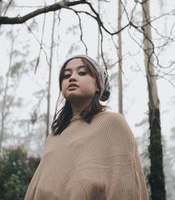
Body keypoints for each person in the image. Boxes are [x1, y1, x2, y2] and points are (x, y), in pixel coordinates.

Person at [24, 55, 149, 200]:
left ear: (98, 85)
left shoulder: (112, 123)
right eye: (66, 75)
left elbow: (126, 186)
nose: (72, 78)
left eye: (82, 73)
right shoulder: (55, 135)